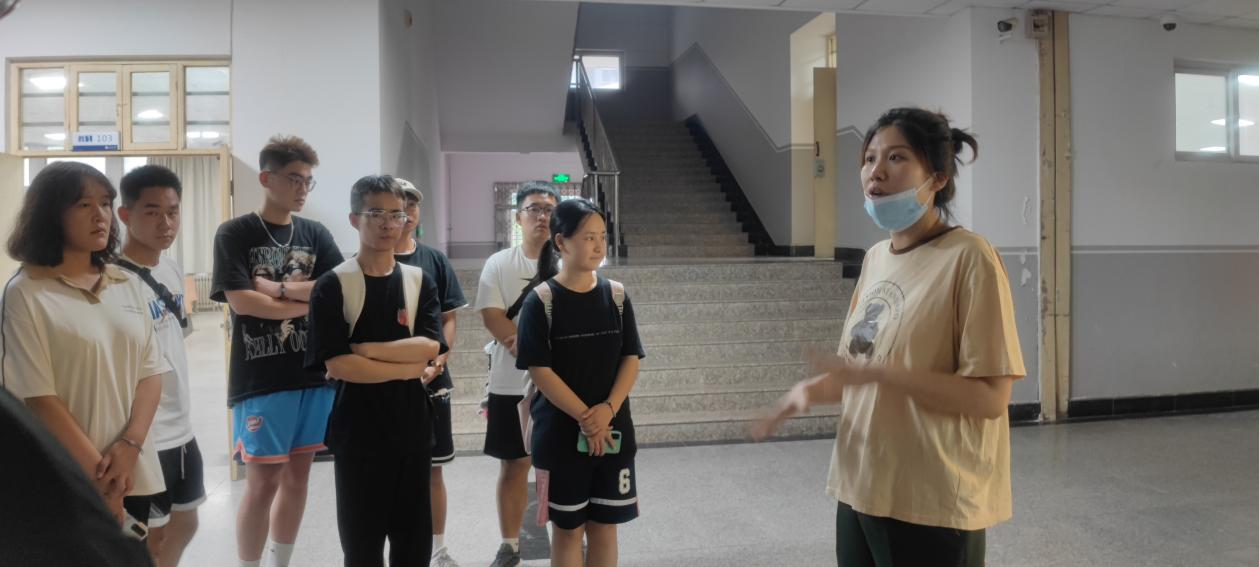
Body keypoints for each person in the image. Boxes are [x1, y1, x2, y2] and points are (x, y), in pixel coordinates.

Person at [753, 107, 1026, 566]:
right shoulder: (876, 258)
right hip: (860, 486)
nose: (875, 172)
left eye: (896, 158)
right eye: (869, 158)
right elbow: (860, 370)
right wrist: (805, 393)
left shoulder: (970, 259)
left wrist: (887, 375)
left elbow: (990, 399)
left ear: (937, 178)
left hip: (930, 500)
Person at [2, 161, 169, 538]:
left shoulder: (126, 282)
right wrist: (102, 483)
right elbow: (39, 398)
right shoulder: (26, 293)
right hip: (67, 478)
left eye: (106, 203)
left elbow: (150, 373)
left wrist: (130, 446)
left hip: (132, 470)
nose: (100, 215)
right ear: (50, 213)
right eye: (83, 204)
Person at [211, 135, 344, 567]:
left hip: (313, 375)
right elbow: (242, 301)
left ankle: (279, 562)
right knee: (263, 481)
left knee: (298, 477)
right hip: (261, 378)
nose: (302, 189)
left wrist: (279, 289)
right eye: (293, 179)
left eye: (308, 181)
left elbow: (336, 291)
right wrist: (305, 302)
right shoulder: (235, 233)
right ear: (266, 178)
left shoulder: (315, 233)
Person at [306, 174, 446, 566]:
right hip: (358, 435)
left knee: (413, 546)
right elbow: (339, 365)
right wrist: (405, 367)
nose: (388, 223)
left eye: (396, 214)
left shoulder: (418, 281)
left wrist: (366, 350)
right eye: (376, 213)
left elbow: (430, 348)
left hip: (412, 430)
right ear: (354, 219)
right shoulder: (333, 285)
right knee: (362, 549)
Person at [515, 198, 645, 567]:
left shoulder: (616, 295)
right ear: (561, 242)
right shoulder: (541, 301)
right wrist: (587, 418)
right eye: (588, 237)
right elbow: (540, 370)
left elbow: (631, 358)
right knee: (568, 530)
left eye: (602, 236)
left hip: (613, 432)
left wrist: (607, 411)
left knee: (605, 527)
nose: (599, 245)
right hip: (560, 437)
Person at [116, 164, 204, 567]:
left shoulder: (169, 267)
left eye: (172, 212)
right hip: (146, 433)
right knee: (149, 537)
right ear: (125, 215)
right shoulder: (114, 280)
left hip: (180, 425)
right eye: (152, 212)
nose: (165, 223)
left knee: (186, 522)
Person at [474, 181, 561, 567]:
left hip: (560, 385)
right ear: (519, 217)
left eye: (549, 210)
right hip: (510, 382)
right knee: (513, 464)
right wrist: (526, 349)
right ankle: (509, 545)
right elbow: (492, 314)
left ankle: (568, 538)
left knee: (562, 466)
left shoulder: (567, 262)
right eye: (534, 209)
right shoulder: (499, 263)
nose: (542, 216)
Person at [391, 178, 468, 567]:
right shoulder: (368, 261)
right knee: (389, 472)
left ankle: (438, 548)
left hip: (433, 382)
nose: (406, 213)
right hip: (383, 384)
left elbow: (449, 318)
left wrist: (439, 361)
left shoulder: (434, 260)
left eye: (412, 205)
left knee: (433, 471)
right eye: (398, 205)